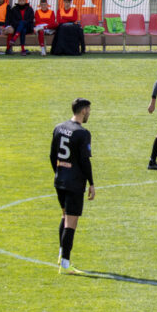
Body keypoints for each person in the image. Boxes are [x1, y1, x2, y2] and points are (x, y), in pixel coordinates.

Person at [50, 98, 95, 275]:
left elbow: (52, 155)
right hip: (75, 183)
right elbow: (85, 161)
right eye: (89, 110)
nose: (89, 113)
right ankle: (66, 264)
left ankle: (61, 256)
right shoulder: (82, 133)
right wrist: (91, 183)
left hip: (60, 180)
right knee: (71, 223)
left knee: (64, 216)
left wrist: (59, 172)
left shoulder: (59, 128)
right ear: (83, 111)